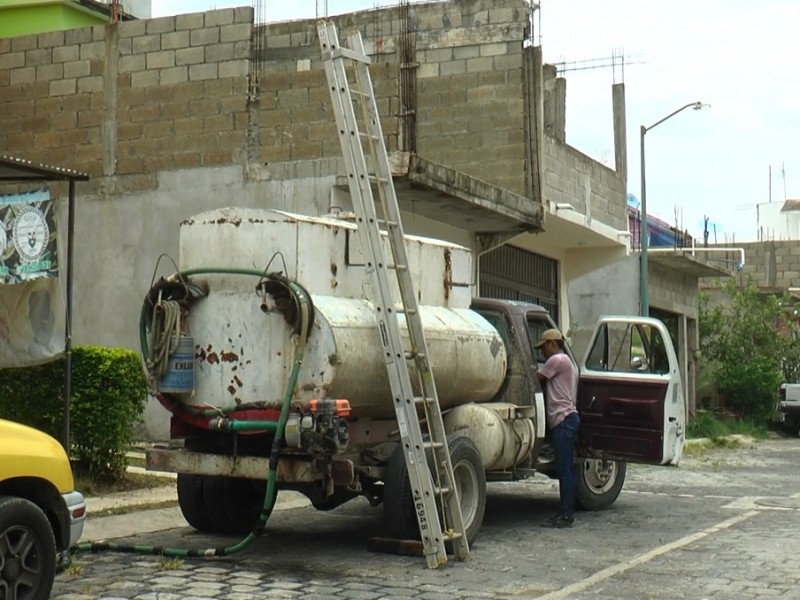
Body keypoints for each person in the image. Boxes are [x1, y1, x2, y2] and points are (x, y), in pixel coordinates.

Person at [534, 328, 580, 528]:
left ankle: (566, 515)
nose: (543, 352)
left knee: (564, 470)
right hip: (568, 420)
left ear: (553, 343)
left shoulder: (556, 361)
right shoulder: (566, 362)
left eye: (544, 347)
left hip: (563, 420)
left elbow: (535, 379)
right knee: (567, 468)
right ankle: (566, 512)